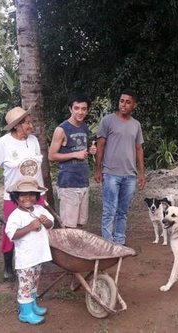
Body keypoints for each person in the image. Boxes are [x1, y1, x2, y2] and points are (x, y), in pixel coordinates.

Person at [0, 106, 45, 282]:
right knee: (11, 230)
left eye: (30, 121)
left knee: (37, 227)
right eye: (27, 122)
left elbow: (37, 167)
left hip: (36, 194)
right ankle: (8, 266)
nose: (31, 125)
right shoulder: (3, 143)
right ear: (16, 126)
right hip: (14, 197)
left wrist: (42, 194)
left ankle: (34, 261)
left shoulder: (33, 141)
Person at [94, 89, 146, 244]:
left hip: (130, 175)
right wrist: (98, 169)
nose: (123, 104)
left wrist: (141, 173)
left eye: (128, 102)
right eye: (122, 101)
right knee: (109, 210)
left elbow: (139, 149)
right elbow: (100, 146)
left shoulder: (136, 125)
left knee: (122, 211)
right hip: (110, 173)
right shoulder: (107, 121)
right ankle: (107, 243)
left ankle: (119, 241)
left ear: (134, 105)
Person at [5, 177, 54, 325]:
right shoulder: (15, 216)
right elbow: (12, 235)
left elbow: (51, 224)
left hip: (38, 256)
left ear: (37, 196)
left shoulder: (40, 209)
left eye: (32, 194)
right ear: (16, 197)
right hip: (26, 259)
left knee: (34, 282)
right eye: (23, 195)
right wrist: (29, 227)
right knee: (25, 286)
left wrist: (46, 222)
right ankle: (25, 313)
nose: (27, 198)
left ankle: (32, 306)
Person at [48, 93, 97, 228]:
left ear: (87, 110)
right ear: (70, 109)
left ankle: (77, 250)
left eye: (83, 109)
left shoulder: (84, 127)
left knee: (81, 223)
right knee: (69, 226)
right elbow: (51, 156)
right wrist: (75, 154)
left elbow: (82, 150)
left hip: (83, 181)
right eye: (76, 108)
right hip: (68, 183)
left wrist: (90, 150)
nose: (80, 112)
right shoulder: (61, 129)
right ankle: (66, 250)